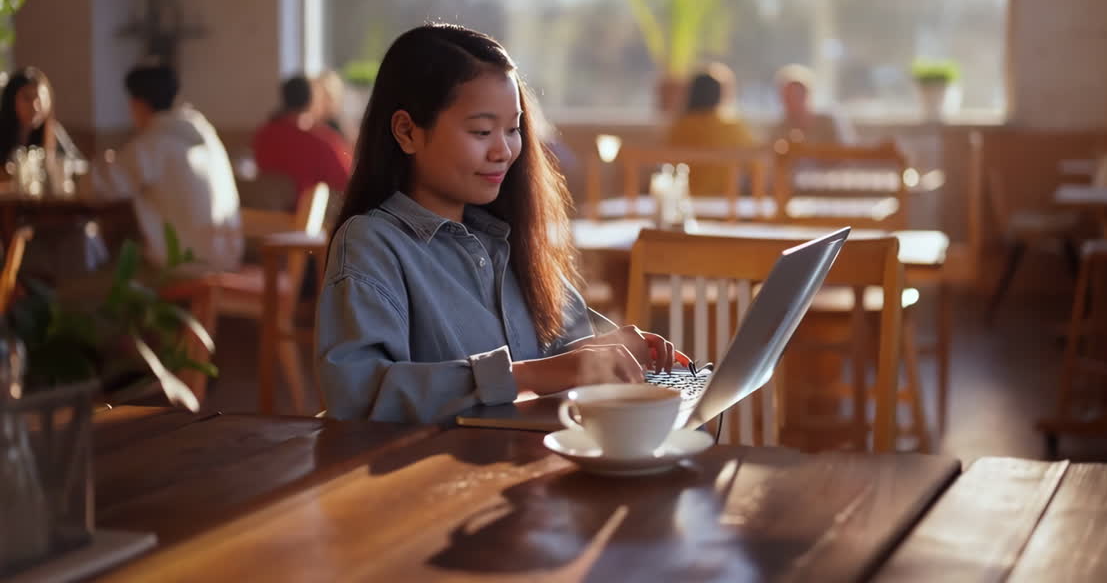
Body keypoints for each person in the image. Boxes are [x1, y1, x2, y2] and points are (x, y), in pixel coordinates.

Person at [316, 23, 685, 424]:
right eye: (481, 131)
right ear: (407, 131)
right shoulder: (373, 244)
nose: (504, 150)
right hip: (436, 478)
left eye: (513, 129)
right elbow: (356, 394)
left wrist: (613, 348)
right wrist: (531, 374)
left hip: (525, 468)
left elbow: (568, 346)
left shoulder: (503, 242)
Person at [88, 64, 243, 273]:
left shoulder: (153, 143)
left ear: (138, 104)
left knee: (92, 281)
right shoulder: (203, 133)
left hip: (185, 266)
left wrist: (102, 164)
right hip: (226, 259)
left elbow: (100, 189)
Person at [253, 74, 353, 203]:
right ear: (312, 101)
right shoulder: (323, 141)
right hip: (307, 218)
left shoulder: (263, 136)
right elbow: (349, 184)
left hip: (267, 216)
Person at [663, 62, 757, 196]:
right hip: (727, 203)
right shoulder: (732, 127)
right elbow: (754, 164)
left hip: (686, 199)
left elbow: (666, 164)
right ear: (719, 95)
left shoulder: (679, 127)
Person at [0, 66, 84, 165]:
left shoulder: (52, 131)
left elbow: (78, 164)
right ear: (11, 100)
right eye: (27, 98)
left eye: (40, 99)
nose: (34, 107)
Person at [769, 64, 852, 147]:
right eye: (788, 97)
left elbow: (846, 152)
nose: (793, 101)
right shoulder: (779, 130)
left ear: (807, 94)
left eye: (797, 95)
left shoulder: (828, 122)